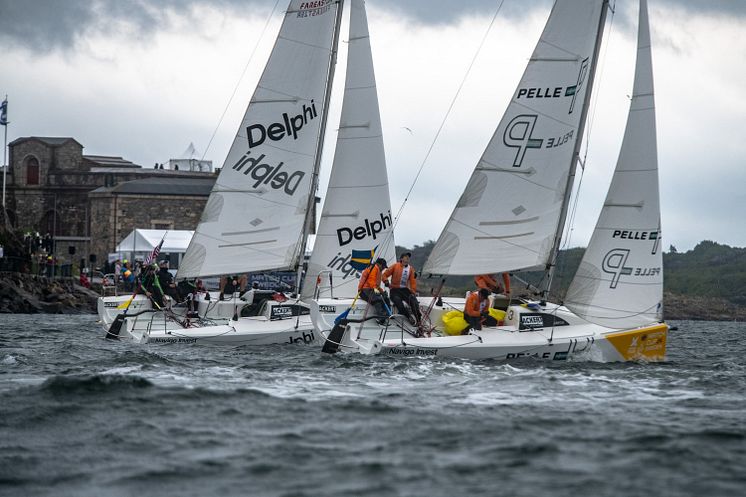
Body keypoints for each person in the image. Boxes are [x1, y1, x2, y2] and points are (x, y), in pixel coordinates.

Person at [382, 251, 421, 326]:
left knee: (414, 302)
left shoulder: (411, 269)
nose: (407, 259)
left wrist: (413, 291)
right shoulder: (395, 266)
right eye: (406, 257)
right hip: (394, 289)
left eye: (408, 258)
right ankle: (408, 316)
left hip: (405, 290)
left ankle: (419, 320)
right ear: (401, 259)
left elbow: (413, 281)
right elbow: (384, 275)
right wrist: (386, 281)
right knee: (398, 302)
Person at [358, 258, 390, 324]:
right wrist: (375, 289)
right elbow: (371, 280)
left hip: (372, 289)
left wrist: (382, 291)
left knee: (385, 298)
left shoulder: (378, 270)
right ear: (379, 265)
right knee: (377, 300)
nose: (384, 268)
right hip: (364, 290)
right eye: (383, 266)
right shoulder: (374, 268)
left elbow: (377, 285)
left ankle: (387, 316)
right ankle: (381, 319)